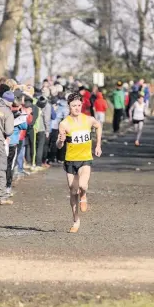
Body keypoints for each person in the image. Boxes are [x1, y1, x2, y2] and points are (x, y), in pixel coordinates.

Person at [57, 92, 102, 233]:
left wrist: (98, 145)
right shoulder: (64, 123)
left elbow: (98, 126)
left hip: (85, 159)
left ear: (82, 105)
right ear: (69, 106)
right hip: (70, 160)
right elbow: (58, 146)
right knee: (72, 190)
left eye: (78, 105)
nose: (77, 108)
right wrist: (61, 140)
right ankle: (76, 220)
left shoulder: (88, 120)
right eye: (73, 105)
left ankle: (84, 194)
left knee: (82, 185)